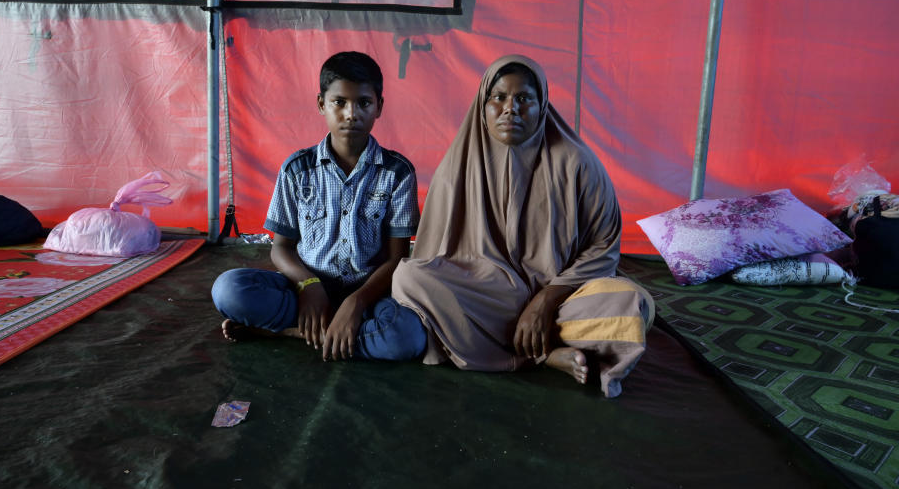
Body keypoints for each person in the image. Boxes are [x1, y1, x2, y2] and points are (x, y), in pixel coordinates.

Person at [391, 54, 654, 397]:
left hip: (563, 295)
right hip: (485, 293)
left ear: (542, 105)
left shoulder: (578, 164)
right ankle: (543, 354)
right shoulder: (456, 169)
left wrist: (544, 301)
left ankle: (496, 341)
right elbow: (434, 253)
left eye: (523, 99)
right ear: (482, 107)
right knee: (409, 277)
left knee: (630, 303)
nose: (510, 108)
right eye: (498, 97)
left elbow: (604, 247)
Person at [212, 51, 426, 362]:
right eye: (339, 102)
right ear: (321, 104)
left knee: (407, 336)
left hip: (369, 295)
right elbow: (280, 248)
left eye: (364, 103)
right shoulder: (297, 169)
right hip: (306, 293)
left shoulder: (397, 173)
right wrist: (309, 285)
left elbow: (397, 259)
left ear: (379, 106)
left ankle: (293, 332)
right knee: (228, 289)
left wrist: (356, 304)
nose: (351, 113)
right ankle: (328, 331)